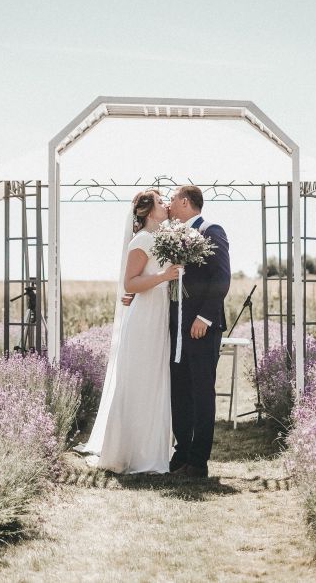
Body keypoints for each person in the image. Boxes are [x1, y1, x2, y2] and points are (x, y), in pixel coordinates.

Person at [75, 190, 182, 474]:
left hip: (160, 313)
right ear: (147, 211)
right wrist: (164, 276)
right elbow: (130, 283)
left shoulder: (163, 238)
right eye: (160, 202)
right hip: (145, 317)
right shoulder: (142, 239)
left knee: (155, 381)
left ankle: (151, 451)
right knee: (139, 380)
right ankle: (129, 452)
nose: (166, 205)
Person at [165, 185, 230, 478]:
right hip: (178, 328)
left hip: (201, 328)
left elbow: (221, 277)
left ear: (185, 202)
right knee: (180, 392)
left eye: (172, 199)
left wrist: (204, 317)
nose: (168, 205)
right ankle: (181, 454)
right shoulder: (171, 235)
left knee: (202, 392)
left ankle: (198, 461)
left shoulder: (211, 231)